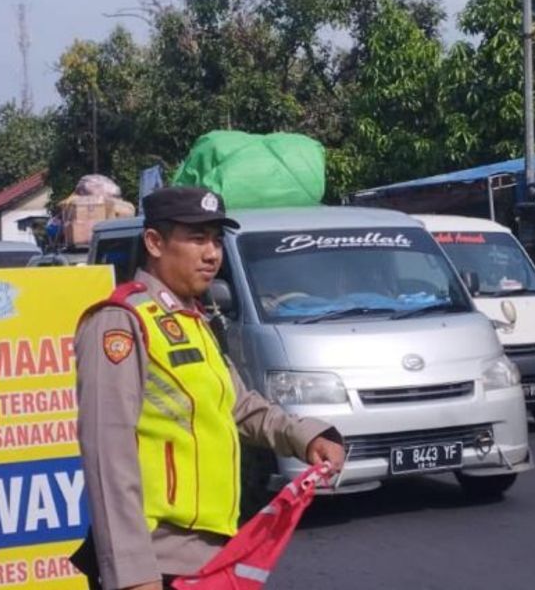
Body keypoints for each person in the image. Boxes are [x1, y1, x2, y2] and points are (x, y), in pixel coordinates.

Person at [73, 186, 346, 590]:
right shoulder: (120, 322)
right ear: (154, 242)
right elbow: (107, 455)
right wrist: (132, 573)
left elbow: (239, 406)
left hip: (211, 554)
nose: (212, 254)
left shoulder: (191, 320)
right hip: (156, 560)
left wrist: (304, 436)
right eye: (197, 238)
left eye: (216, 240)